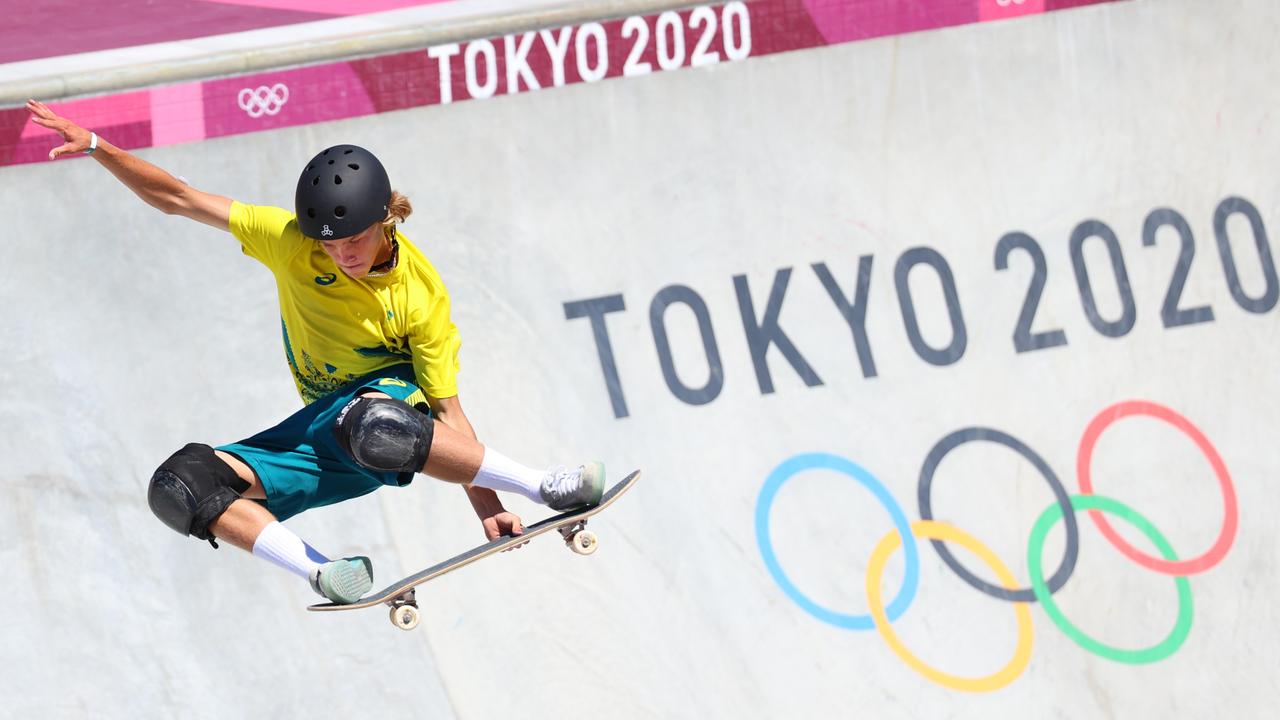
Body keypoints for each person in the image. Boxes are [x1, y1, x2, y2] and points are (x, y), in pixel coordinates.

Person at [25, 99, 606, 605]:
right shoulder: (289, 242)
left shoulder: (418, 294)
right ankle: (324, 573)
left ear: (386, 219)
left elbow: (448, 408)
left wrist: (488, 504)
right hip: (323, 430)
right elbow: (178, 197)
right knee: (181, 486)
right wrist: (98, 146)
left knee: (373, 419)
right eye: (331, 245)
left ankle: (547, 482)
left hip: (392, 417)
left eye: (355, 239)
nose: (344, 254)